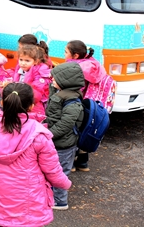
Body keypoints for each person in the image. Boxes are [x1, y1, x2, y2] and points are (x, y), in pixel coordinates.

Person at [0, 83, 72, 226]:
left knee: (3, 223)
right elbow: (52, 169)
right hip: (29, 199)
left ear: (2, 102)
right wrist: (65, 184)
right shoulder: (38, 134)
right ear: (31, 106)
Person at [65, 39, 115, 172]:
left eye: (66, 52)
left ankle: (72, 164)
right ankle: (83, 163)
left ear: (75, 55)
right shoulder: (93, 63)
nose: (64, 55)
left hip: (81, 104)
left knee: (75, 132)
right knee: (87, 130)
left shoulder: (76, 67)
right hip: (94, 106)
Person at [44, 62, 85, 210]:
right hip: (57, 141)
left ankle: (60, 201)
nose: (52, 81)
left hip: (65, 143)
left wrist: (50, 134)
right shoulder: (61, 94)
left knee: (60, 172)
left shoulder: (72, 101)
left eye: (55, 79)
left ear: (66, 81)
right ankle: (52, 195)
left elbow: (66, 123)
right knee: (53, 169)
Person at [13, 44, 51, 121]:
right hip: (20, 101)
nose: (23, 63)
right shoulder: (20, 69)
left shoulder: (40, 72)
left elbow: (37, 92)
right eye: (21, 59)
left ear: (36, 61)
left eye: (27, 60)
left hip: (34, 103)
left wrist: (20, 98)